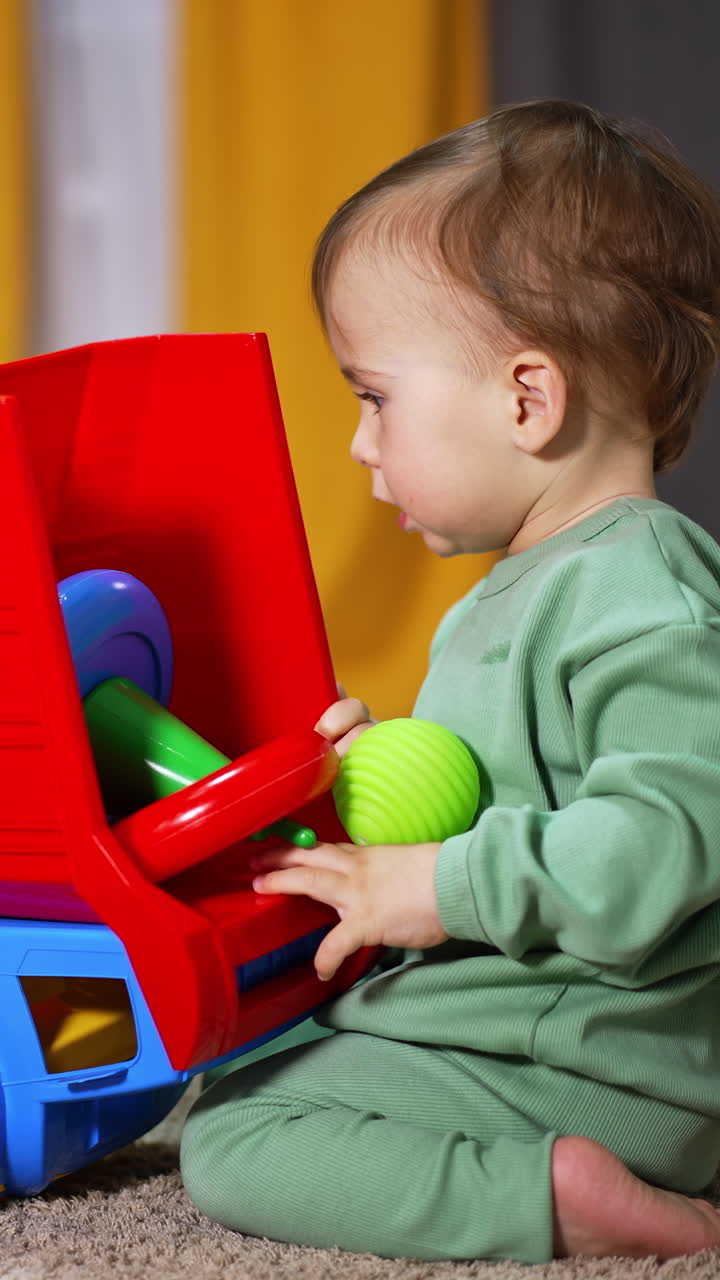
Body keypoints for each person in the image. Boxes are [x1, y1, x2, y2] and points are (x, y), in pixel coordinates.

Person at [180, 100, 720, 1262]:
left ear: (528, 399)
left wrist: (439, 880)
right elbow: (522, 795)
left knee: (235, 1138)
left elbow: (667, 841)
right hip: (525, 1029)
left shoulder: (645, 591)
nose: (360, 442)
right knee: (247, 1054)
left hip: (601, 1062)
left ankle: (554, 1194)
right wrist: (378, 785)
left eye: (375, 396)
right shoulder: (529, 587)